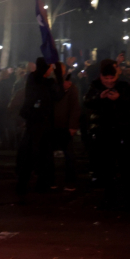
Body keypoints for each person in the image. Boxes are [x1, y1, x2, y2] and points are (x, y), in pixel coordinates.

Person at [83, 59, 130, 209]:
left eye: (112, 78)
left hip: (122, 130)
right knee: (107, 166)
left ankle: (127, 198)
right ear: (101, 77)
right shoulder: (94, 86)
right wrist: (99, 97)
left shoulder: (124, 86)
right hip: (103, 131)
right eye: (106, 79)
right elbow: (87, 102)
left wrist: (120, 99)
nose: (110, 82)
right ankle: (110, 197)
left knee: (125, 166)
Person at [15, 58, 61, 197]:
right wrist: (59, 77)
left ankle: (23, 182)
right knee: (42, 154)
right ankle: (41, 183)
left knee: (29, 154)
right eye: (50, 67)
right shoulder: (47, 83)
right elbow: (58, 96)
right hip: (42, 123)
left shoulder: (32, 78)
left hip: (32, 122)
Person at [52, 63, 80, 191]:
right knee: (49, 155)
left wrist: (73, 126)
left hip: (64, 125)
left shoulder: (70, 87)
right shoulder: (51, 85)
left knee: (69, 155)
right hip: (52, 125)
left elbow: (75, 107)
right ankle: (52, 180)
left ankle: (70, 182)